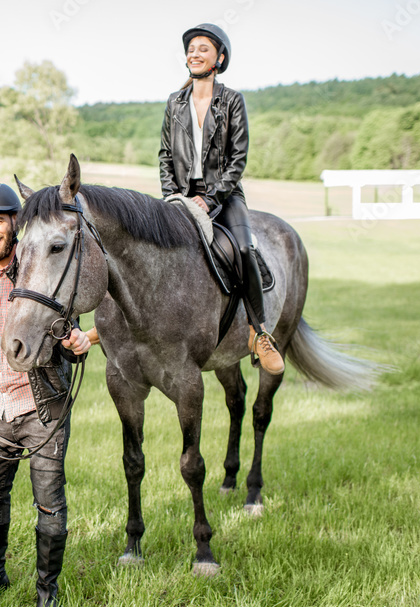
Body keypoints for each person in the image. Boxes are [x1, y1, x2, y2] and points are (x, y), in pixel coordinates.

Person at [0, 181, 92, 607]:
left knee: (49, 502)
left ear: (15, 224)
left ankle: (47, 596)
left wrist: (75, 341)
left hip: (42, 408)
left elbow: (67, 334)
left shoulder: (42, 270)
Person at [158, 23, 285, 375]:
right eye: (191, 49)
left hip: (225, 197)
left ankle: (259, 333)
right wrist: (172, 197)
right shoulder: (174, 103)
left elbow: (237, 161)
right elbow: (166, 155)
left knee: (243, 248)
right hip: (182, 198)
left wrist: (210, 201)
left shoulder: (232, 101)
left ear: (220, 58)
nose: (194, 54)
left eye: (203, 49)